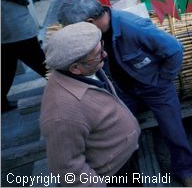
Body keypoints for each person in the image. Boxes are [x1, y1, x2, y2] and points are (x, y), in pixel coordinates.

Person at [57, 0, 192, 187]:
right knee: (119, 132)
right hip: (122, 90)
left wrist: (162, 79)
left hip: (155, 88)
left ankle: (184, 171)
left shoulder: (133, 26)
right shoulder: (93, 34)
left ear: (90, 22)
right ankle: (128, 174)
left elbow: (175, 50)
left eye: (76, 29)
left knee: (173, 130)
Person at [40, 22, 140, 186]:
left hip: (125, 159)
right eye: (98, 54)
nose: (105, 54)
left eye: (101, 47)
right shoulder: (62, 114)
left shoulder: (89, 69)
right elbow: (66, 169)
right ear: (76, 68)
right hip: (112, 176)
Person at [1, 0, 47, 112]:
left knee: (6, 69)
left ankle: (2, 103)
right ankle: (70, 87)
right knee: (42, 64)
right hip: (17, 31)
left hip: (7, 32)